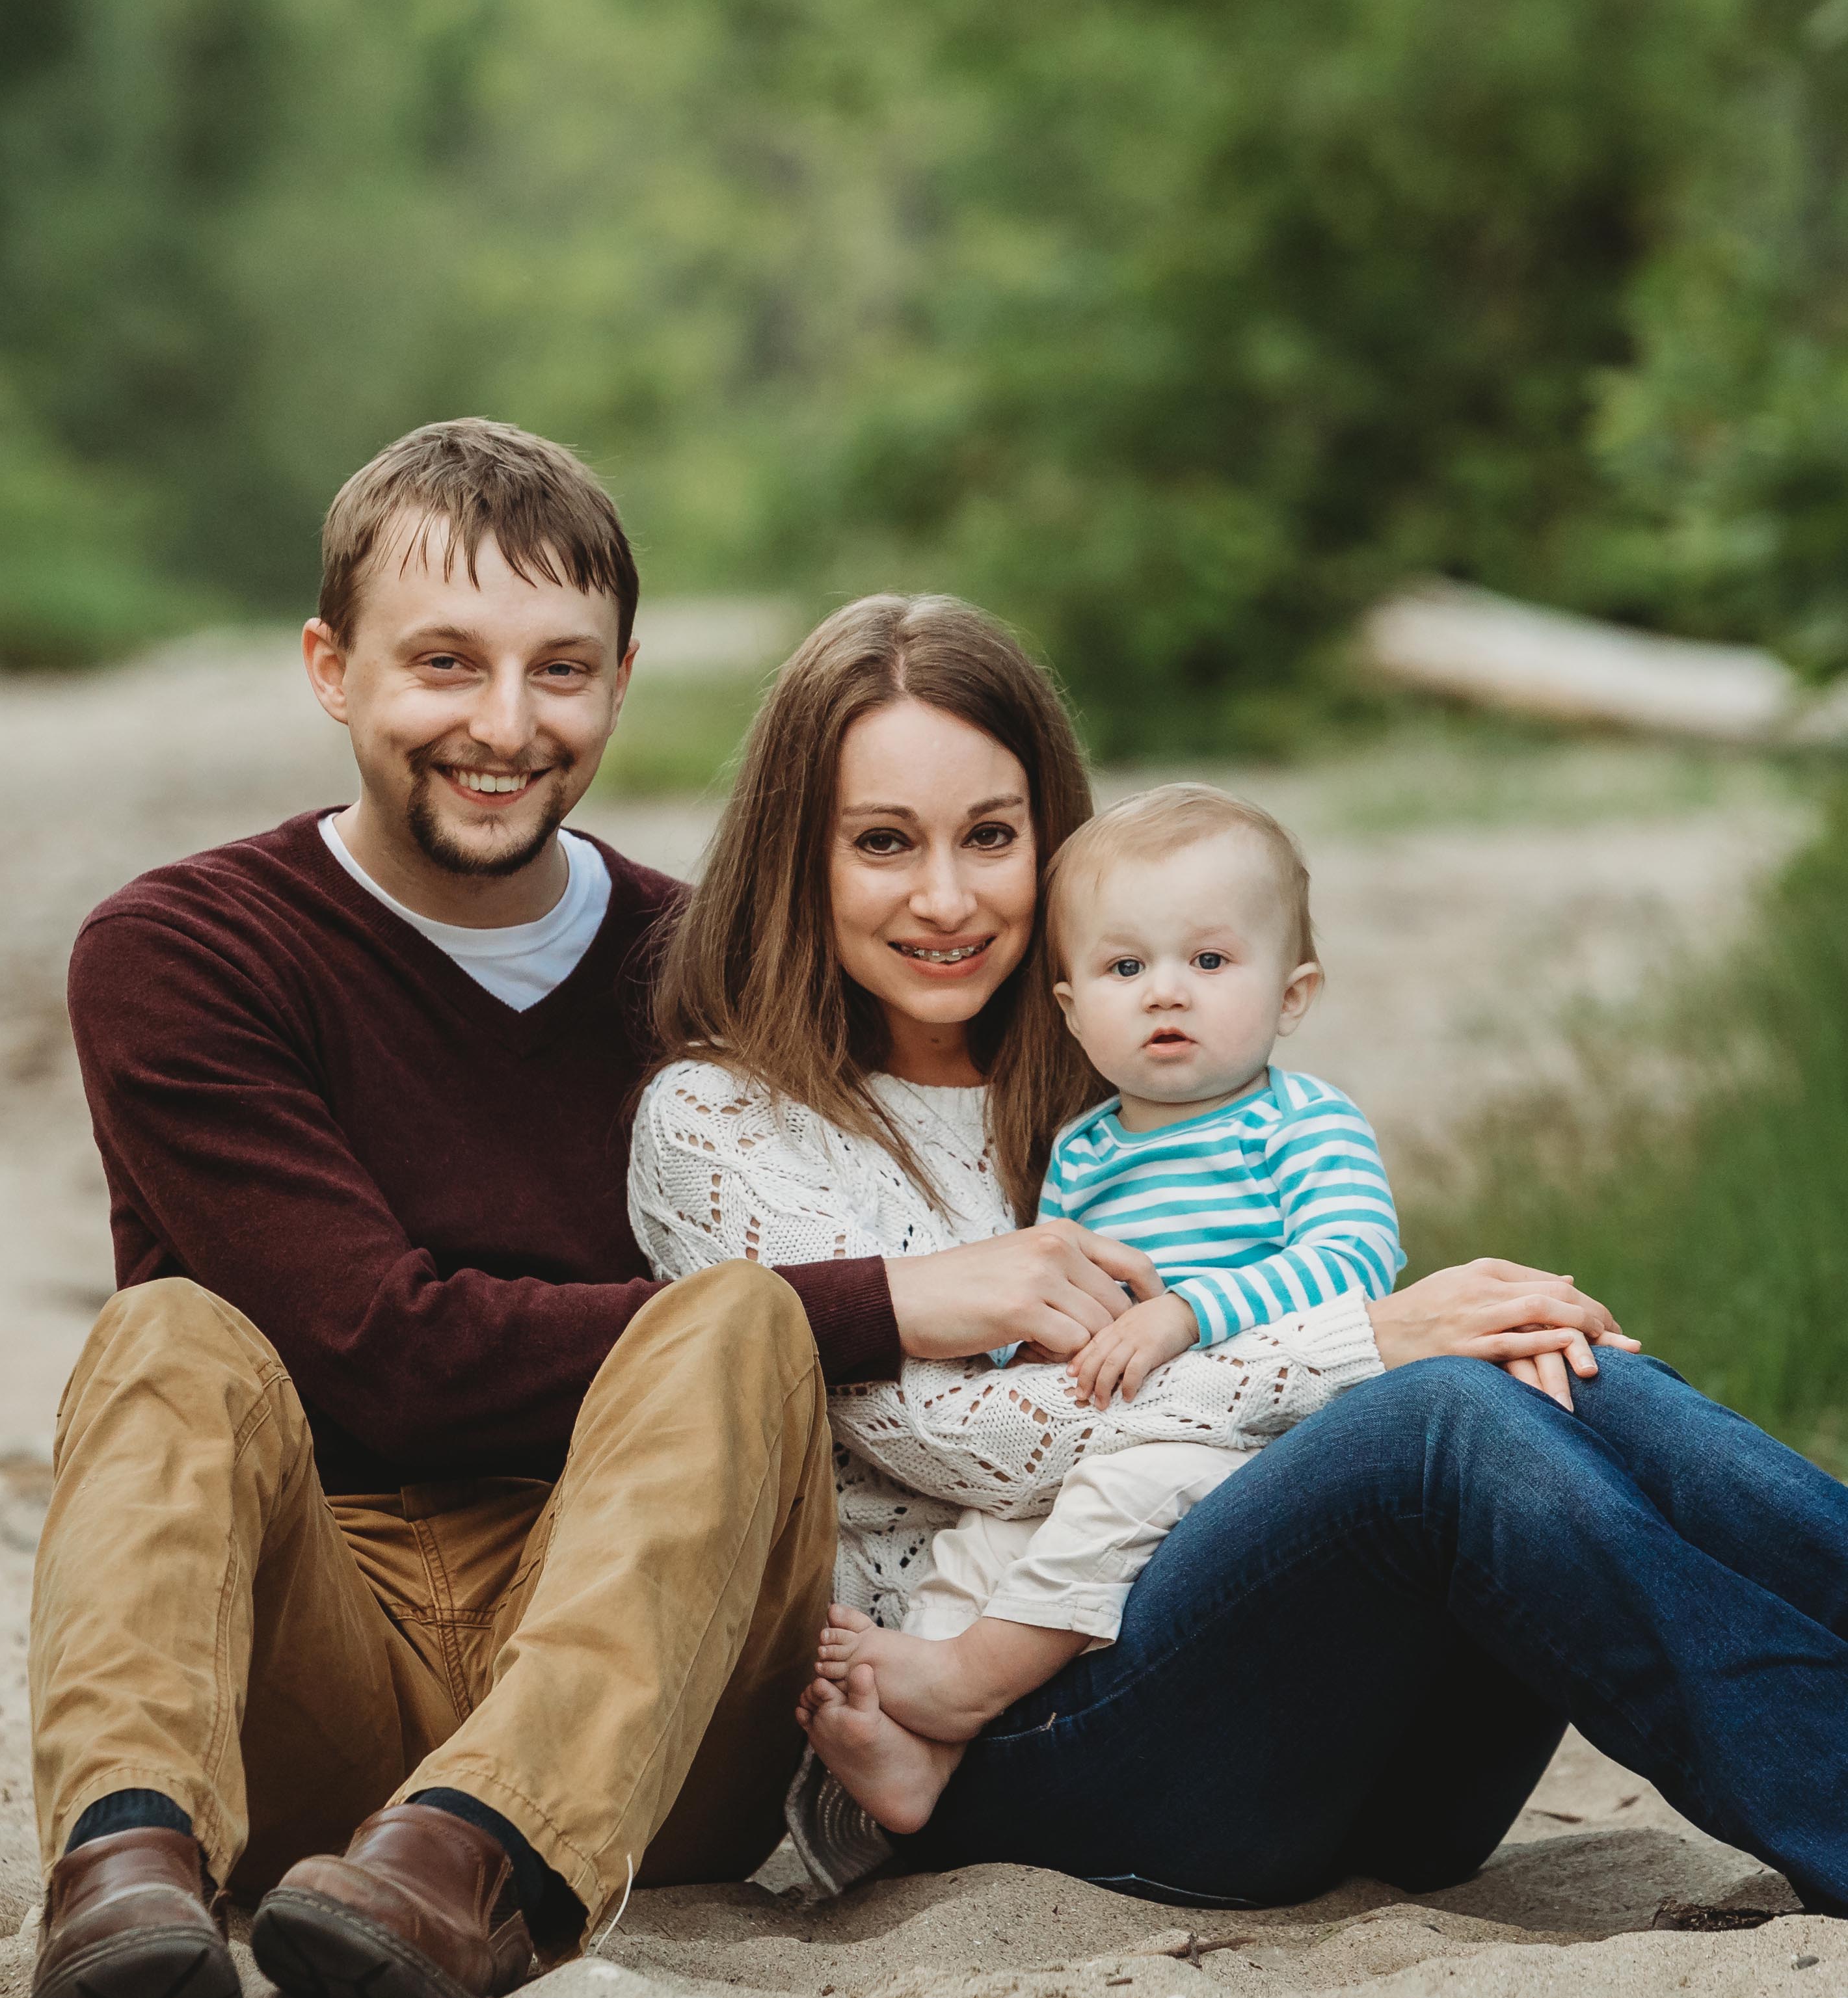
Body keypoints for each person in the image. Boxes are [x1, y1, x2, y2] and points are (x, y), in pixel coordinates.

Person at [23, 423, 1158, 1998]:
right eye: (443, 663)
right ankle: (126, 1853)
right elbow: (381, 1354)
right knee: (167, 1335)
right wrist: (892, 1300)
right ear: (330, 668)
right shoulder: (183, 950)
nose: (504, 724)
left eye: (559, 668)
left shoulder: (704, 962)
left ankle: (476, 1856)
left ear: (621, 681)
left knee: (737, 1320)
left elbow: (987, 1083)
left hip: (641, 1705)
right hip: (305, 1668)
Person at [633, 590, 1848, 1919]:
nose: (945, 895)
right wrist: (1358, 1341)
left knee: (1544, 1364)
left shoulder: (1104, 1066)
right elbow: (955, 1439)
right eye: (881, 840)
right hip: (994, 1752)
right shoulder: (721, 1121)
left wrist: (1411, 1335)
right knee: (1435, 1415)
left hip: (1328, 1742)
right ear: (792, 857)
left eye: (990, 835)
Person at [805, 780, 1410, 1827]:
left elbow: (1357, 1258)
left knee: (1110, 1509)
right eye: (1126, 968)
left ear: (1292, 995)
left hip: (1262, 1438)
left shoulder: (1298, 1123)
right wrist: (1021, 1363)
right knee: (986, 1536)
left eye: (1209, 962)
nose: (1166, 993)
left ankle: (968, 1682)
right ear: (1074, 1009)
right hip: (1105, 1426)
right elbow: (1058, 1299)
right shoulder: (1085, 1153)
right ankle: (921, 1756)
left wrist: (1189, 1314)